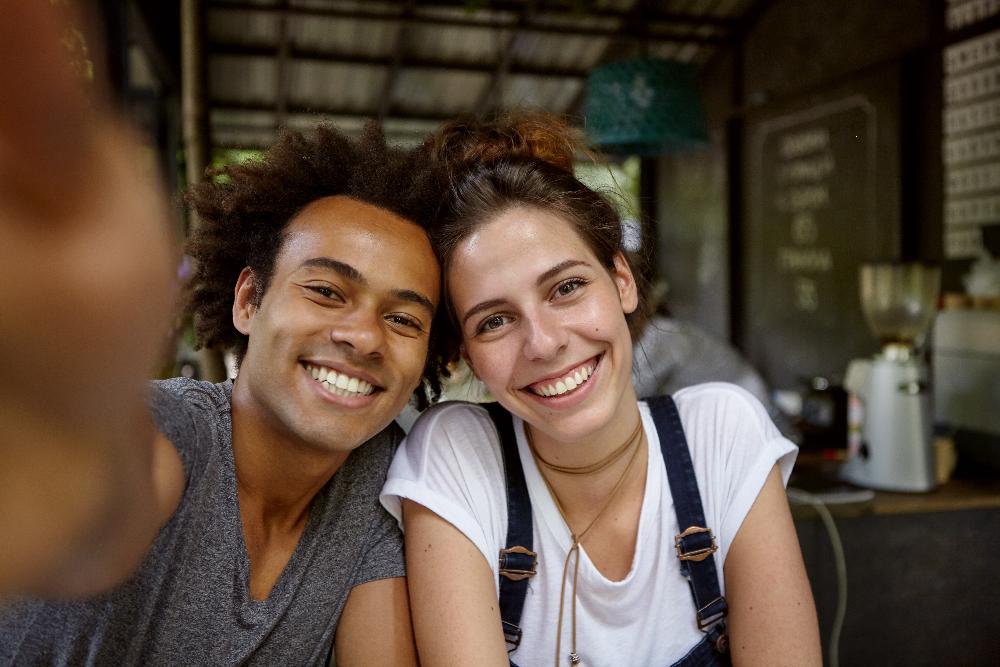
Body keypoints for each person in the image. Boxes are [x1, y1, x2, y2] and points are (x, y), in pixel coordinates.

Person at [1, 8, 442, 663]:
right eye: (326, 290)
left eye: (403, 318)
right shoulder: (172, 430)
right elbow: (107, 493)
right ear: (246, 301)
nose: (364, 336)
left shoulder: (376, 478)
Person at [381, 113, 822, 666]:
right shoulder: (458, 458)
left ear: (622, 281)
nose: (542, 344)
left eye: (566, 287)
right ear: (466, 353)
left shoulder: (722, 433)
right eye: (494, 321)